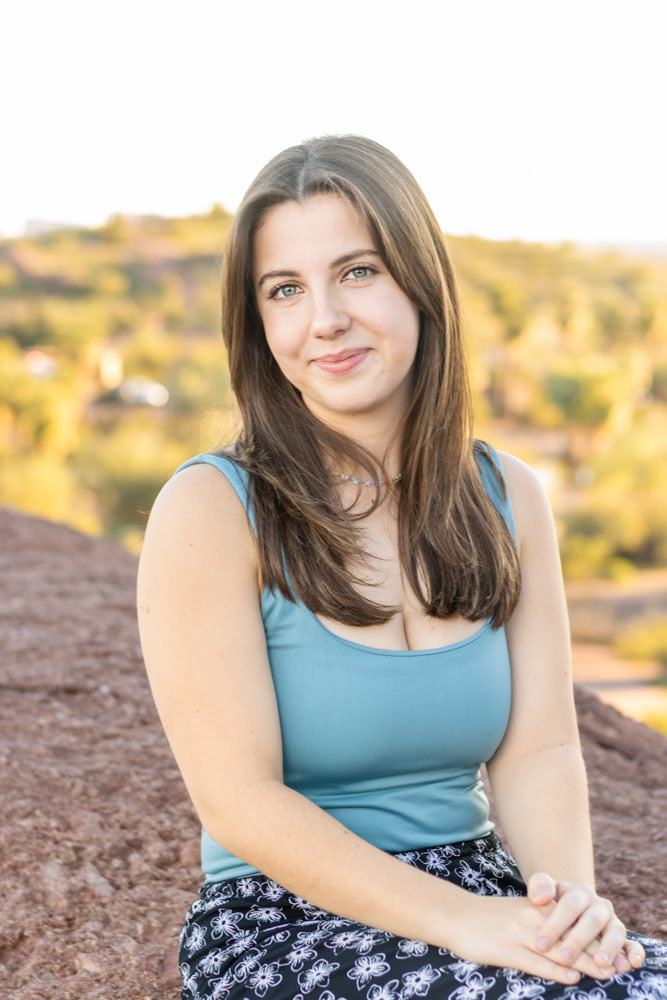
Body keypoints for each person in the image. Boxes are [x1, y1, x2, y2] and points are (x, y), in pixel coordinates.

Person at [137, 135, 667, 1000]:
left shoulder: (506, 495)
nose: (324, 320)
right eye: (284, 289)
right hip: (284, 920)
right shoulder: (211, 509)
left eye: (358, 272)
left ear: (420, 282)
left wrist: (566, 907)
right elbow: (239, 799)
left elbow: (539, 747)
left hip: (482, 888)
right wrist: (461, 922)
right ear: (257, 323)